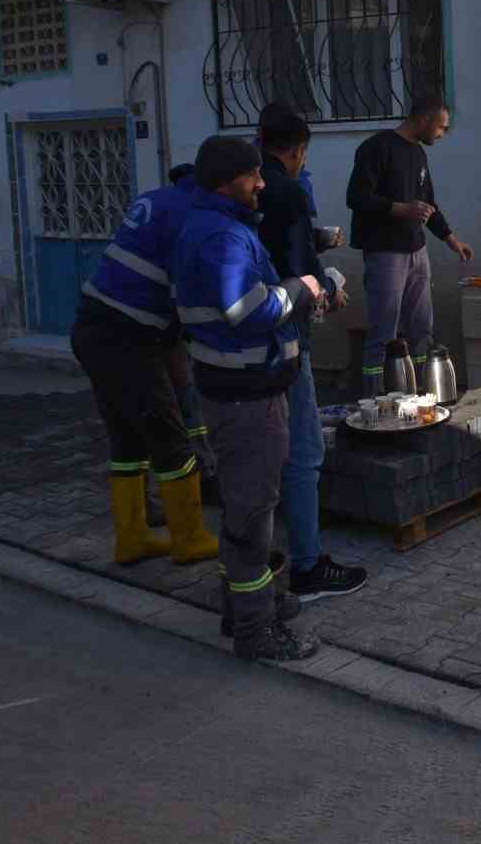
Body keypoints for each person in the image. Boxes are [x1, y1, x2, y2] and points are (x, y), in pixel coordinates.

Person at [172, 135, 323, 661]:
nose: (262, 182)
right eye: (252, 174)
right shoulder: (221, 237)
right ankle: (256, 632)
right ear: (223, 182)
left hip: (241, 393)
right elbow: (248, 310)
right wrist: (303, 288)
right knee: (252, 516)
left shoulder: (220, 226)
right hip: (245, 401)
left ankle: (246, 608)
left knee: (246, 508)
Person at [71, 163, 220, 567]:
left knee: (129, 441)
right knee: (170, 438)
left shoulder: (156, 198)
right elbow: (186, 292)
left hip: (94, 327)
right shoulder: (192, 217)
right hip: (128, 337)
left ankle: (132, 538)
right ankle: (189, 537)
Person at [255, 103, 368, 601]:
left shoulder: (234, 192)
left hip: (229, 352)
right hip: (282, 336)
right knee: (304, 450)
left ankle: (257, 560)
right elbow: (297, 269)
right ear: (299, 150)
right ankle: (306, 566)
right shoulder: (286, 190)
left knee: (255, 455)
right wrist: (326, 286)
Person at [345, 95, 473, 396]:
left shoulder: (418, 154)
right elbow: (357, 197)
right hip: (385, 252)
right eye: (441, 127)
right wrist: (401, 209)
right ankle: (376, 402)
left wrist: (452, 239)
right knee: (384, 332)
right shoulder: (377, 148)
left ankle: (422, 396)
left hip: (417, 251)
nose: (441, 135)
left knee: (421, 330)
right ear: (425, 119)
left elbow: (427, 204)